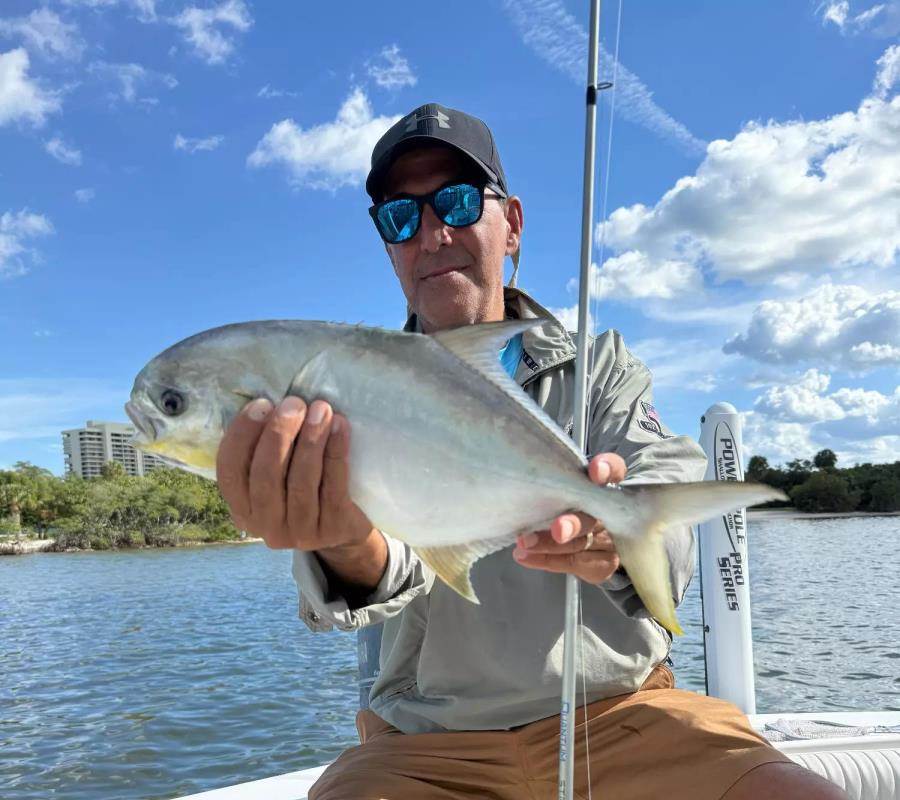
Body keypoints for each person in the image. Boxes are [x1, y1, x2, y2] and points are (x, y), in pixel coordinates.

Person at [216, 103, 848, 799]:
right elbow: (378, 580)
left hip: (623, 716)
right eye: (401, 217)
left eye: (455, 202)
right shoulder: (350, 394)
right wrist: (343, 544)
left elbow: (666, 530)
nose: (431, 234)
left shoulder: (600, 368)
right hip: (428, 750)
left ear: (510, 223)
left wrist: (612, 538)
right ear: (389, 246)